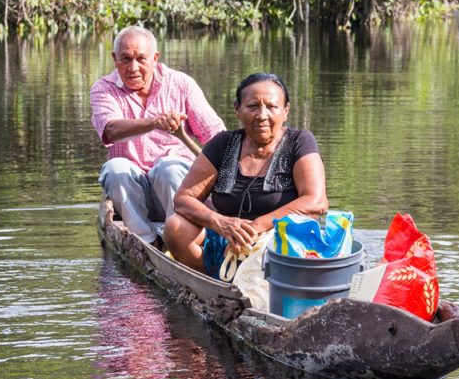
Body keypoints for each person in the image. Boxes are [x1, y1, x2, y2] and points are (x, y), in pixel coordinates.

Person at [164, 73, 328, 275]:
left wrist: (256, 227)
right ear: (237, 110)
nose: (262, 115)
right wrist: (222, 223)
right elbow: (183, 199)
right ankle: (215, 279)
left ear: (285, 111)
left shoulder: (299, 142)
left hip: (282, 244)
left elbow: (316, 202)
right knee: (175, 226)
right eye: (252, 106)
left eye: (271, 106)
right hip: (228, 242)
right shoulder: (223, 143)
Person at [91, 26, 225, 244]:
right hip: (134, 194)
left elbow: (217, 136)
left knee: (168, 167)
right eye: (125, 59)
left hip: (178, 192)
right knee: (115, 169)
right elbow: (112, 130)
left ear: (155, 58)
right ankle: (145, 242)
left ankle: (181, 238)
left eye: (141, 59)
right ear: (115, 59)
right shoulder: (104, 88)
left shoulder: (181, 84)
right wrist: (154, 123)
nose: (133, 67)